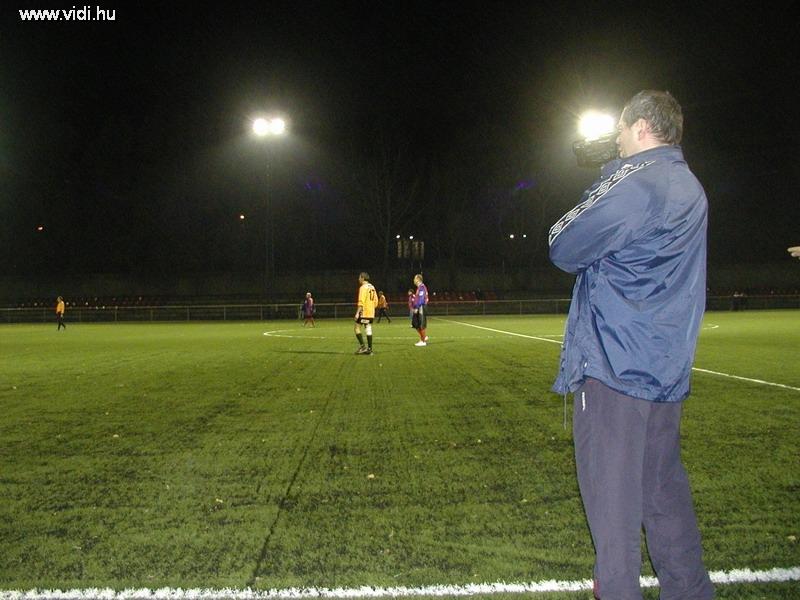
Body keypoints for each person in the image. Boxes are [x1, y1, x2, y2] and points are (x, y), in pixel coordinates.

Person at [548, 90, 714, 600]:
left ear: (641, 127)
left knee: (612, 507)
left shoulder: (637, 181)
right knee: (663, 494)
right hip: (662, 367)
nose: (616, 141)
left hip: (616, 366)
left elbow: (563, 244)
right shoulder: (688, 185)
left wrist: (609, 176)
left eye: (620, 131)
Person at [354, 272, 378, 355]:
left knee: (356, 328)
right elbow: (376, 302)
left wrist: (357, 313)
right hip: (371, 313)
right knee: (368, 328)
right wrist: (371, 308)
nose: (358, 279)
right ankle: (370, 349)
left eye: (359, 277)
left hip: (364, 312)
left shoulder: (363, 288)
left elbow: (361, 301)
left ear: (363, 278)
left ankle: (363, 347)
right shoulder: (372, 287)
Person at [411, 273, 429, 346]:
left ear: (418, 279)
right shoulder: (419, 287)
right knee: (415, 323)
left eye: (415, 278)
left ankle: (423, 341)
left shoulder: (422, 287)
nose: (414, 280)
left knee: (421, 324)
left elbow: (421, 299)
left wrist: (417, 307)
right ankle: (424, 337)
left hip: (421, 307)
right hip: (418, 307)